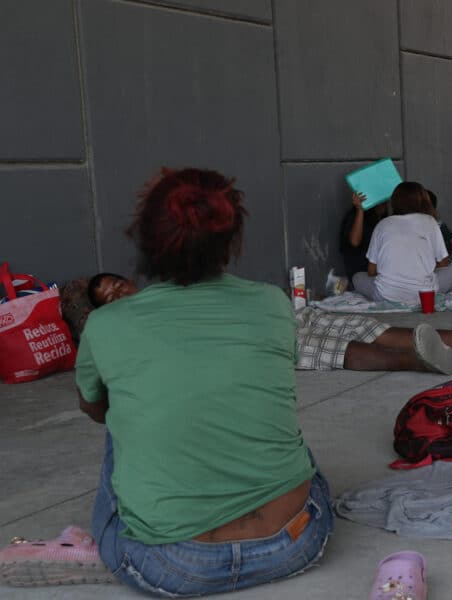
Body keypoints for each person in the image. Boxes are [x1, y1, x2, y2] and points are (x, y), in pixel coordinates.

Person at [3, 168, 333, 595]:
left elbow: (94, 411)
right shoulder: (273, 303)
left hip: (173, 565)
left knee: (124, 413)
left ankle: (105, 551)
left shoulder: (105, 325)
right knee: (277, 428)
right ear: (232, 242)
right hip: (296, 542)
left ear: (143, 241)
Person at [85, 272, 452, 375]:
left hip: (267, 321)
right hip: (244, 347)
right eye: (108, 297)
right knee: (329, 350)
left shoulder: (166, 290)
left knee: (344, 324)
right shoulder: (129, 326)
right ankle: (420, 361)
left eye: (118, 284)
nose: (119, 293)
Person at [351, 181, 452, 303]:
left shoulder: (383, 224)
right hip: (424, 296)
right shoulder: (430, 221)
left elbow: (371, 271)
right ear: (423, 201)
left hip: (385, 295)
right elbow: (443, 264)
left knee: (357, 277)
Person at [340, 190, 388, 281]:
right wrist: (360, 210)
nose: (384, 204)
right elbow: (354, 242)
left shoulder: (382, 219)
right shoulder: (357, 217)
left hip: (379, 273)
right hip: (361, 271)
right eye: (381, 201)